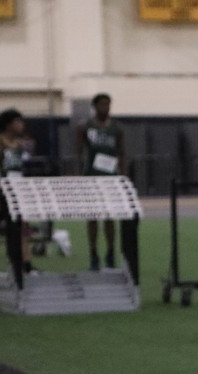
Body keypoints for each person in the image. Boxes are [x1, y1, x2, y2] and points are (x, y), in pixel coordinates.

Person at [0, 108, 34, 278]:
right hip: (2, 192)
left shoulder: (19, 145)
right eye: (18, 122)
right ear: (8, 125)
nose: (22, 125)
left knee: (23, 227)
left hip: (18, 191)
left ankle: (26, 265)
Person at [76, 93, 126, 271]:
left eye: (108, 104)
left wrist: (123, 176)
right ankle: (93, 253)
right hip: (92, 175)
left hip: (110, 177)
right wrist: (78, 176)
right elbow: (78, 154)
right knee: (92, 216)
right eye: (102, 104)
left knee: (109, 217)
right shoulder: (85, 127)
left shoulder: (116, 128)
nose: (106, 108)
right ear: (95, 106)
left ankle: (110, 252)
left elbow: (122, 153)